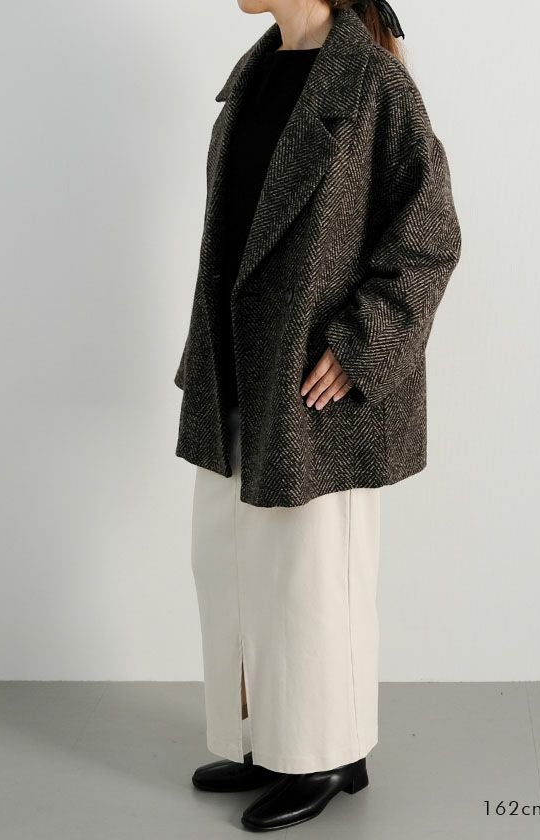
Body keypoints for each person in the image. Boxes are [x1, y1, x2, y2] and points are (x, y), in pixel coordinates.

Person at [173, 0, 462, 830]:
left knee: (310, 579)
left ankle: (328, 752)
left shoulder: (373, 84)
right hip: (238, 367)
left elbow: (431, 235)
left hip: (312, 384)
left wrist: (363, 343)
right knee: (231, 563)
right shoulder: (255, 75)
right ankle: (266, 738)